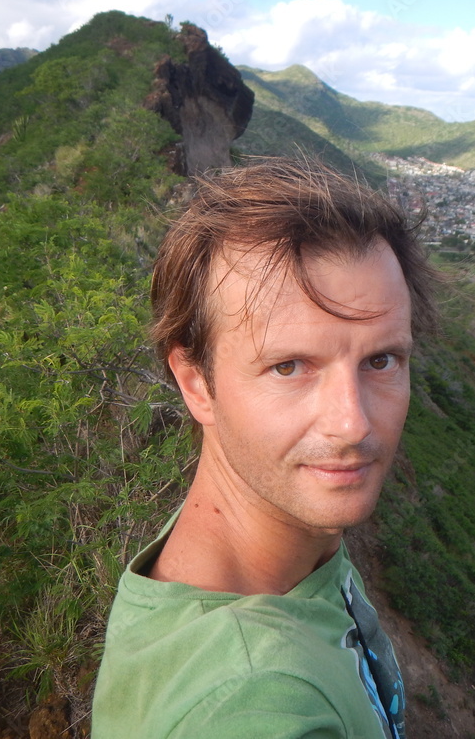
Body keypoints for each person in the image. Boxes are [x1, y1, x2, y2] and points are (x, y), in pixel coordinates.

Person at [91, 156, 440, 738]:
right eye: (289, 367)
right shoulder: (251, 700)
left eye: (381, 360)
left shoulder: (283, 542)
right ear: (196, 382)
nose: (353, 424)